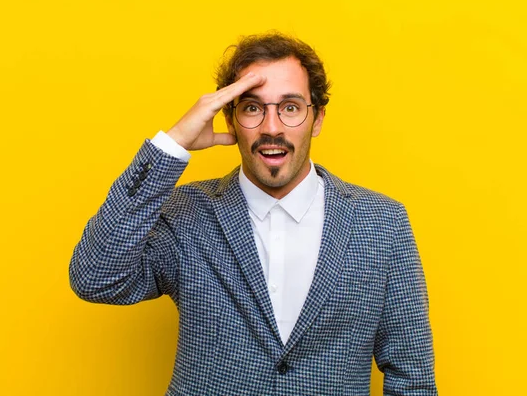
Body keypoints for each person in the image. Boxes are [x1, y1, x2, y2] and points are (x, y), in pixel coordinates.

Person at [69, 32, 437, 395]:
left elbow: (413, 377)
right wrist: (173, 144)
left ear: (318, 119)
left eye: (290, 107)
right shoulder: (187, 213)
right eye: (252, 108)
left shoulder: (382, 222)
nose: (271, 127)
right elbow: (95, 278)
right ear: (230, 121)